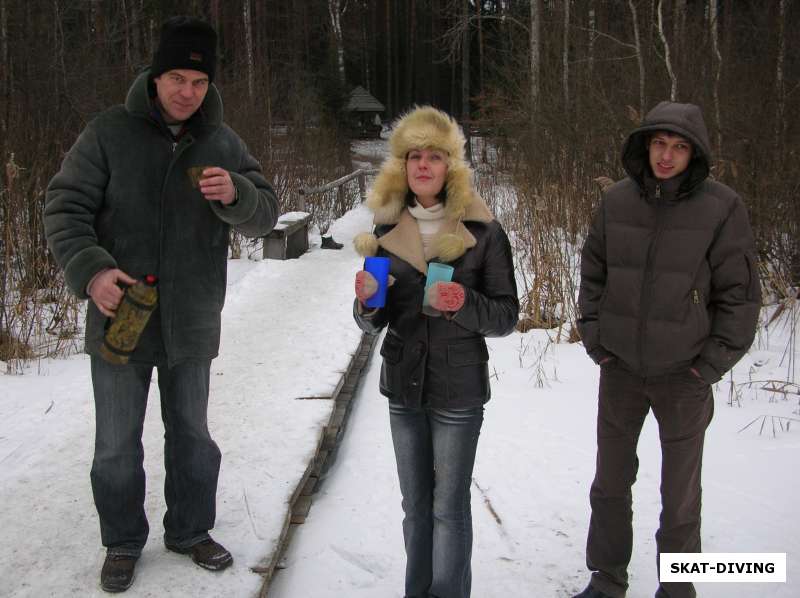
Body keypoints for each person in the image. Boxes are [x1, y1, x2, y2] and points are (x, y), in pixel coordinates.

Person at [44, 16, 278, 593]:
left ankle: (190, 530)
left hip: (192, 316)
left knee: (193, 435)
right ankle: (122, 540)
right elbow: (63, 208)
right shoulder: (108, 133)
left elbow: (267, 214)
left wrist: (238, 195)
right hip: (122, 311)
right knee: (117, 444)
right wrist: (92, 272)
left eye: (198, 82)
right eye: (176, 77)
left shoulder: (222, 143)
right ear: (154, 77)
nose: (186, 92)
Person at [573, 101, 761, 598]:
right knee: (610, 483)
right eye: (659, 143)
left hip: (685, 376)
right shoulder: (616, 201)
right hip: (620, 370)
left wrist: (709, 366)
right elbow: (593, 273)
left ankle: (678, 588)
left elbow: (739, 296)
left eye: (679, 147)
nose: (666, 155)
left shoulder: (722, 207)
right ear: (645, 145)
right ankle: (607, 578)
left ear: (694, 154)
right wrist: (597, 338)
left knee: (680, 494)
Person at [352, 106, 519, 598]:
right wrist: (365, 302)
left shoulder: (483, 231)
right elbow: (372, 320)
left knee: (449, 507)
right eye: (414, 157)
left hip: (458, 389)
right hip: (403, 385)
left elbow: (507, 315)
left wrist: (465, 303)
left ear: (451, 167)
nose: (424, 166)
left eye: (435, 157)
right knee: (415, 506)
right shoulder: (383, 232)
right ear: (402, 167)